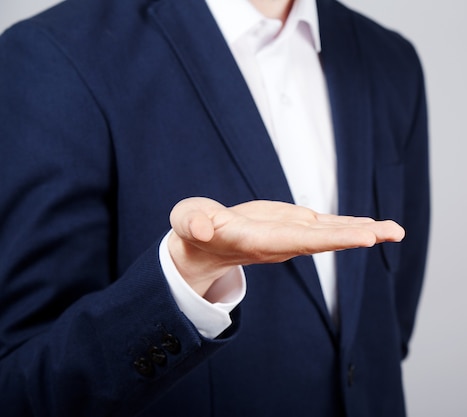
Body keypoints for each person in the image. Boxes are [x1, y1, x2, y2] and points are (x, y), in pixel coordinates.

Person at [0, 0, 430, 415]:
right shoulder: (54, 54)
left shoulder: (390, 59)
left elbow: (387, 330)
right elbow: (20, 388)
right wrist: (184, 279)